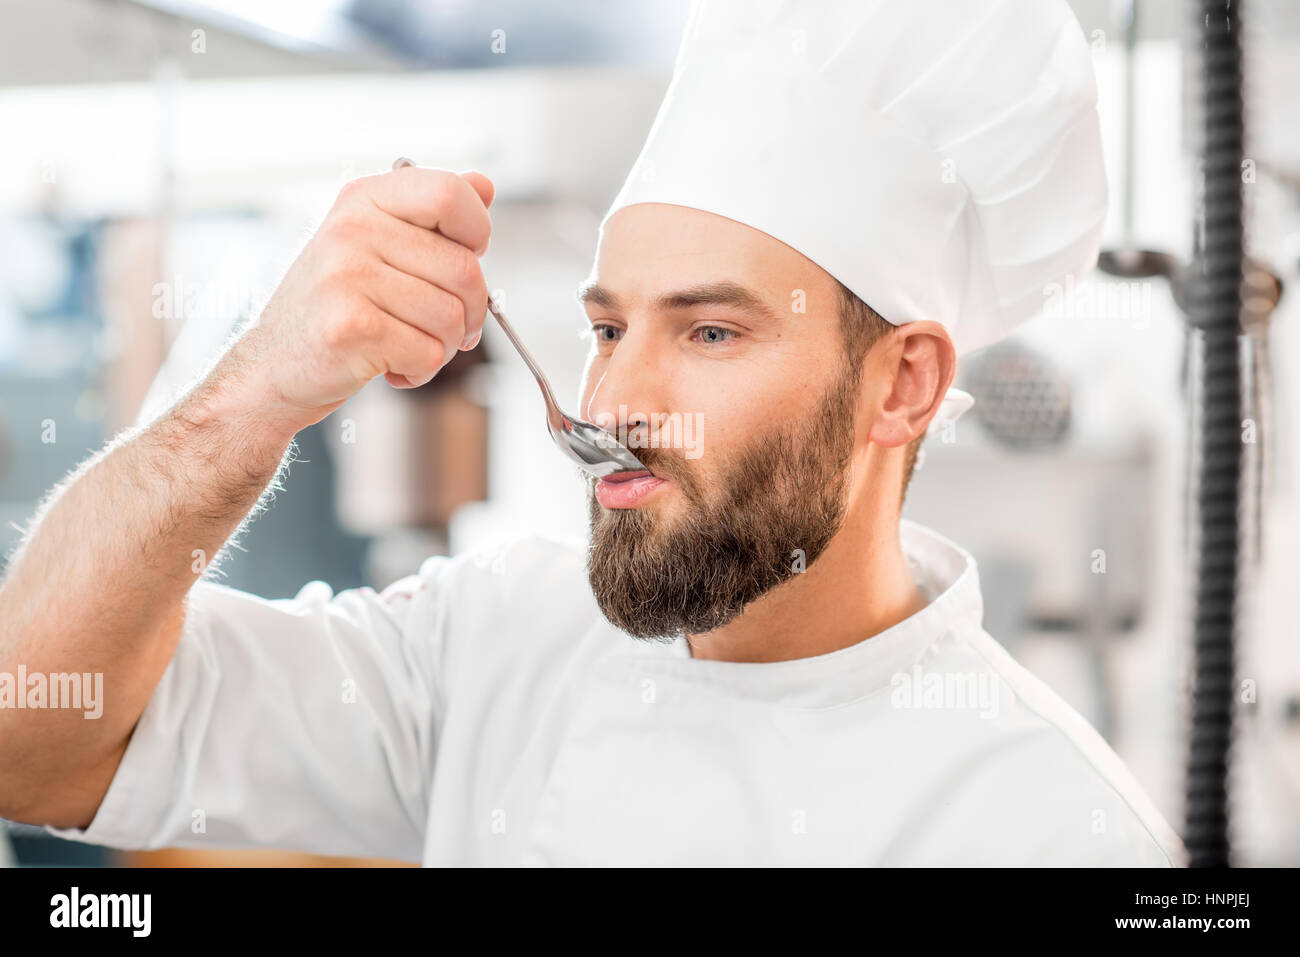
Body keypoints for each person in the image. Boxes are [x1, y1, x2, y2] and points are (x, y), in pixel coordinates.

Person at [0, 0, 1184, 865]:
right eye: (608, 327)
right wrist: (252, 395)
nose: (613, 401)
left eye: (710, 333)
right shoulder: (492, 647)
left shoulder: (1047, 823)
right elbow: (32, 742)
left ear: (903, 386)